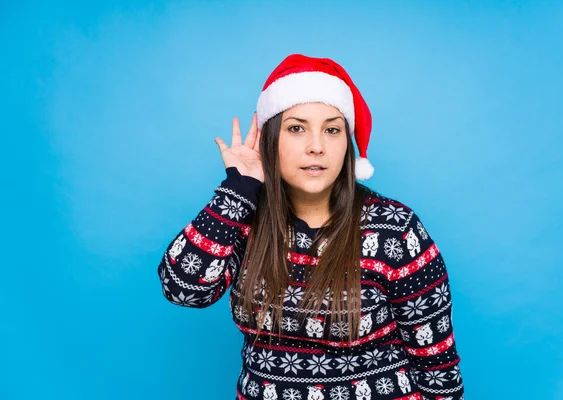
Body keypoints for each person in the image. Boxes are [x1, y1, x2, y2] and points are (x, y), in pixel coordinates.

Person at [157, 53, 465, 400]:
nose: (316, 146)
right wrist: (238, 190)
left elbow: (438, 367)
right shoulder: (244, 219)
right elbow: (184, 289)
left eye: (332, 130)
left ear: (347, 145)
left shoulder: (395, 231)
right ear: (270, 139)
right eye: (296, 128)